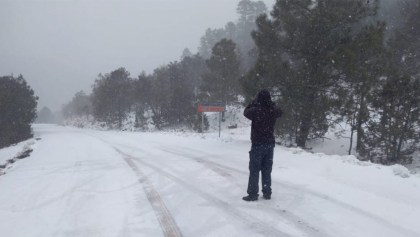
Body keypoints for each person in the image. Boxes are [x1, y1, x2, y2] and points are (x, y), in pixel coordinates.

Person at [242, 89, 282, 201]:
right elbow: (280, 111)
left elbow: (246, 112)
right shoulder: (272, 110)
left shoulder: (256, 110)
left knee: (254, 170)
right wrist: (271, 103)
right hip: (269, 144)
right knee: (266, 169)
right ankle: (267, 192)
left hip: (258, 144)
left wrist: (254, 102)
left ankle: (253, 193)